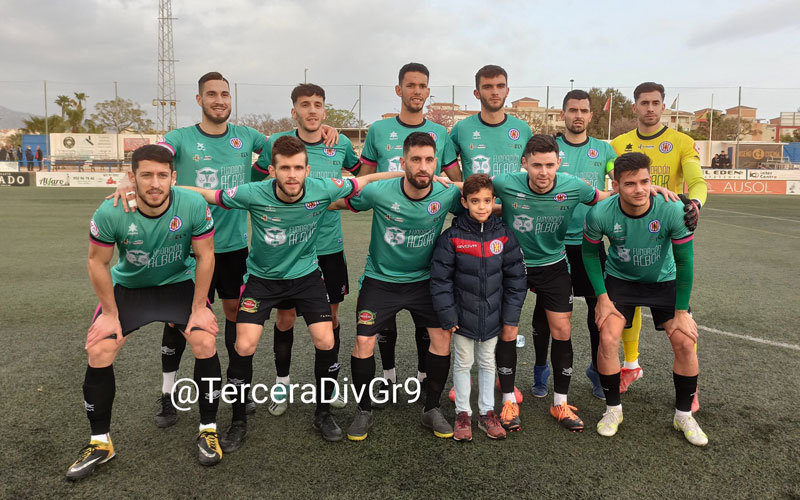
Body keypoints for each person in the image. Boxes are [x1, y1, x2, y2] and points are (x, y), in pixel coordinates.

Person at [110, 71, 338, 426]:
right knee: (178, 318)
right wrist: (128, 181)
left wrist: (321, 130)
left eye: (225, 94)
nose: (220, 100)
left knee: (233, 314)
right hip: (185, 243)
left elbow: (285, 148)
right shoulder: (180, 138)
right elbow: (153, 157)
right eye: (212, 94)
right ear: (199, 100)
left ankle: (239, 396)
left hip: (232, 246)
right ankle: (169, 394)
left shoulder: (246, 137)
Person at [186, 135, 401, 447]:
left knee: (326, 339)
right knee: (243, 345)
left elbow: (366, 180)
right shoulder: (252, 192)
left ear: (307, 169)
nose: (292, 174)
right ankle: (238, 421)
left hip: (306, 277)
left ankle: (323, 413)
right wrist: (145, 187)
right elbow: (208, 194)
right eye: (285, 168)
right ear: (272, 170)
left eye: (298, 167)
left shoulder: (322, 188)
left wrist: (409, 174)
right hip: (262, 279)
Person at [66, 145, 222, 481]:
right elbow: (97, 262)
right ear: (132, 177)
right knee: (100, 349)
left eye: (162, 175)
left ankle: (208, 429)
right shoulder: (112, 211)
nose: (155, 183)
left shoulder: (192, 204)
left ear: (173, 177)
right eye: (146, 175)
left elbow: (206, 256)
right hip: (130, 289)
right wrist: (109, 313)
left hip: (177, 284)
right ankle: (100, 442)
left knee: (205, 342)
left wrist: (198, 307)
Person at [338, 132, 463, 441]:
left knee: (441, 339)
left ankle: (431, 409)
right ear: (403, 162)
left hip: (425, 282)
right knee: (363, 343)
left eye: (429, 160)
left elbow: (484, 201)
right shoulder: (380, 192)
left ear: (436, 163)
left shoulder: (446, 194)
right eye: (416, 160)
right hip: (381, 281)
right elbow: (340, 199)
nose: (423, 167)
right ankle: (364, 410)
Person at [582, 152, 707, 446]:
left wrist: (680, 311)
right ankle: (613, 410)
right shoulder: (600, 213)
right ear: (615, 185)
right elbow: (589, 253)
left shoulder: (673, 211)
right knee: (608, 338)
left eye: (644, 181)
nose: (639, 189)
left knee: (685, 341)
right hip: (620, 281)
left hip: (664, 281)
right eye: (629, 184)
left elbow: (685, 263)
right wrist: (601, 297)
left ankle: (684, 415)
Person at [252, 83, 360, 416]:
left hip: (329, 248)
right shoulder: (278, 144)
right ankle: (282, 385)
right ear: (293, 110)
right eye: (304, 104)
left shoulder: (339, 142)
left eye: (318, 104)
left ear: (324, 110)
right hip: (288, 251)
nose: (312, 110)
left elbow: (360, 182)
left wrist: (335, 204)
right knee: (285, 318)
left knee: (331, 318)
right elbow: (256, 183)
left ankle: (329, 384)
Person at [358, 63, 462, 398]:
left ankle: (423, 384)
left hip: (424, 266)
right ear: (398, 89)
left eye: (422, 86)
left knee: (429, 329)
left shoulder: (441, 134)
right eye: (410, 85)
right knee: (378, 328)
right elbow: (361, 181)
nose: (417, 91)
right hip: (386, 251)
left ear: (428, 91)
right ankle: (386, 378)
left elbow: (454, 181)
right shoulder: (378, 130)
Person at [610, 82, 705, 409]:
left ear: (662, 106)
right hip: (627, 229)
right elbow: (610, 180)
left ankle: (690, 389)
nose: (649, 108)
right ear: (634, 107)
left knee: (680, 313)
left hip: (665, 232)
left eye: (655, 103)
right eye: (643, 103)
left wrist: (694, 204)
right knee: (626, 300)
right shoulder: (618, 144)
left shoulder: (681, 142)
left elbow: (697, 181)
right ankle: (631, 364)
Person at [527, 90, 616, 401]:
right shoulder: (549, 148)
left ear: (591, 115)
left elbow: (623, 182)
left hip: (589, 244)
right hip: (552, 244)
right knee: (543, 313)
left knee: (598, 312)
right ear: (562, 114)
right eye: (572, 110)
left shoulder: (604, 150)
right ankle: (540, 371)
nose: (578, 115)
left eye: (584, 110)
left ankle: (596, 370)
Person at [430, 174, 527, 441]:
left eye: (486, 200)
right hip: (462, 318)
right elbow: (440, 280)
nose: (481, 206)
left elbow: (517, 279)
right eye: (475, 201)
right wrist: (448, 314)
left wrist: (510, 315)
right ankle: (463, 413)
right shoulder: (452, 237)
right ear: (464, 202)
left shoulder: (505, 236)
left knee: (487, 362)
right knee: (463, 363)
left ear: (494, 201)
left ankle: (487, 413)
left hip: (494, 317)